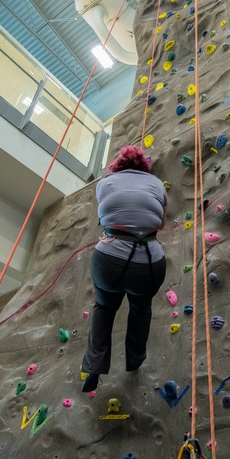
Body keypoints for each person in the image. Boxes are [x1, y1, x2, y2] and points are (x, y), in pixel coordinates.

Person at [81, 146, 168, 392]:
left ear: (117, 166)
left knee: (104, 308)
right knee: (141, 309)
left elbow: (104, 214)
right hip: (149, 262)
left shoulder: (106, 183)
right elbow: (160, 222)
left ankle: (94, 366)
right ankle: (135, 361)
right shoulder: (156, 183)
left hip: (109, 259)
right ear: (144, 167)